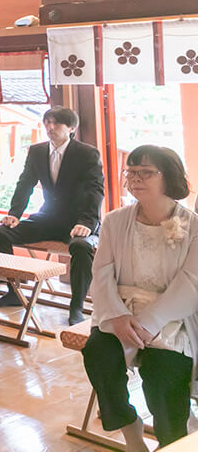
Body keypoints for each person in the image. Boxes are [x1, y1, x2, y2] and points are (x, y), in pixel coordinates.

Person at [82, 146, 197, 452]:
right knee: (97, 353)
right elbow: (102, 273)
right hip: (119, 311)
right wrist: (117, 318)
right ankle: (131, 433)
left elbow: (191, 284)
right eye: (131, 172)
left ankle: (172, 442)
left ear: (169, 177)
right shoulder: (115, 220)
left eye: (145, 172)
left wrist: (149, 323)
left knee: (165, 378)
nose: (135, 178)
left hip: (171, 319)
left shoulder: (194, 225)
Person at [0, 107, 105, 324]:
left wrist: (87, 222)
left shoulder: (87, 153)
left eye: (56, 123)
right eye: (47, 123)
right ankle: (14, 292)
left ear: (71, 128)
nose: (50, 128)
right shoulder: (37, 151)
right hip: (48, 217)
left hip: (79, 220)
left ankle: (76, 307)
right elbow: (25, 184)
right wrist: (14, 214)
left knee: (82, 247)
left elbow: (95, 189)